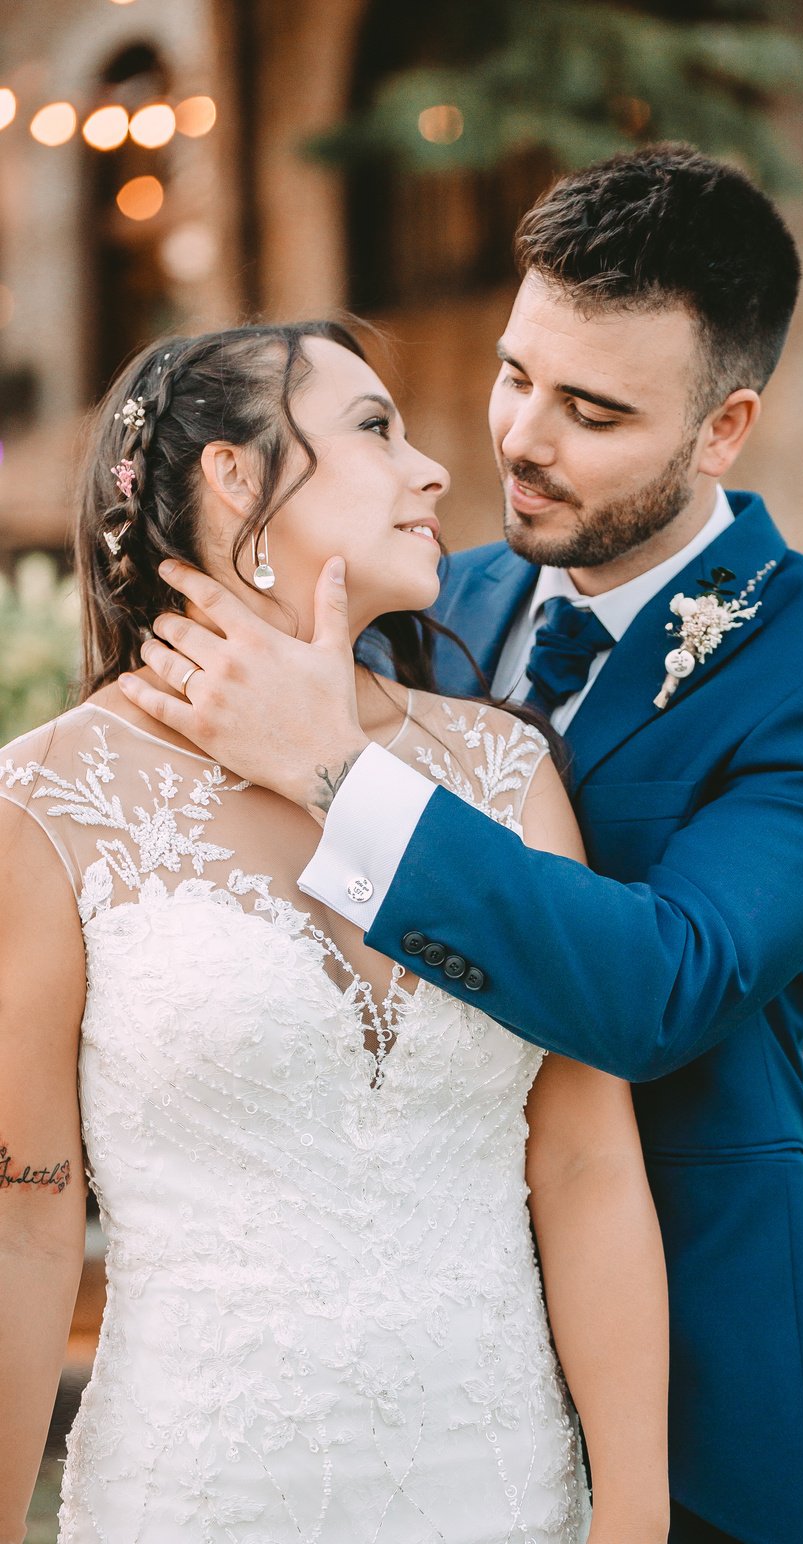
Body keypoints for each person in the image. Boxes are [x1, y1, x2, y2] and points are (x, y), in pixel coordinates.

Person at [133, 146, 803, 1543]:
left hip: (701, 1368)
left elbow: (664, 988)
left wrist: (334, 769)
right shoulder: (425, 592)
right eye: (517, 372)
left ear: (722, 428)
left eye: (591, 409)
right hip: (417, 1357)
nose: (518, 437)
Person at [0, 319, 671, 1544]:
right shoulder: (47, 802)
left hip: (501, 1480)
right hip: (198, 1487)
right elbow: (24, 1216)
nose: (433, 471)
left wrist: (632, 1507)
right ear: (237, 477)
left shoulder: (502, 771)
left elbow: (583, 1164)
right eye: (374, 428)